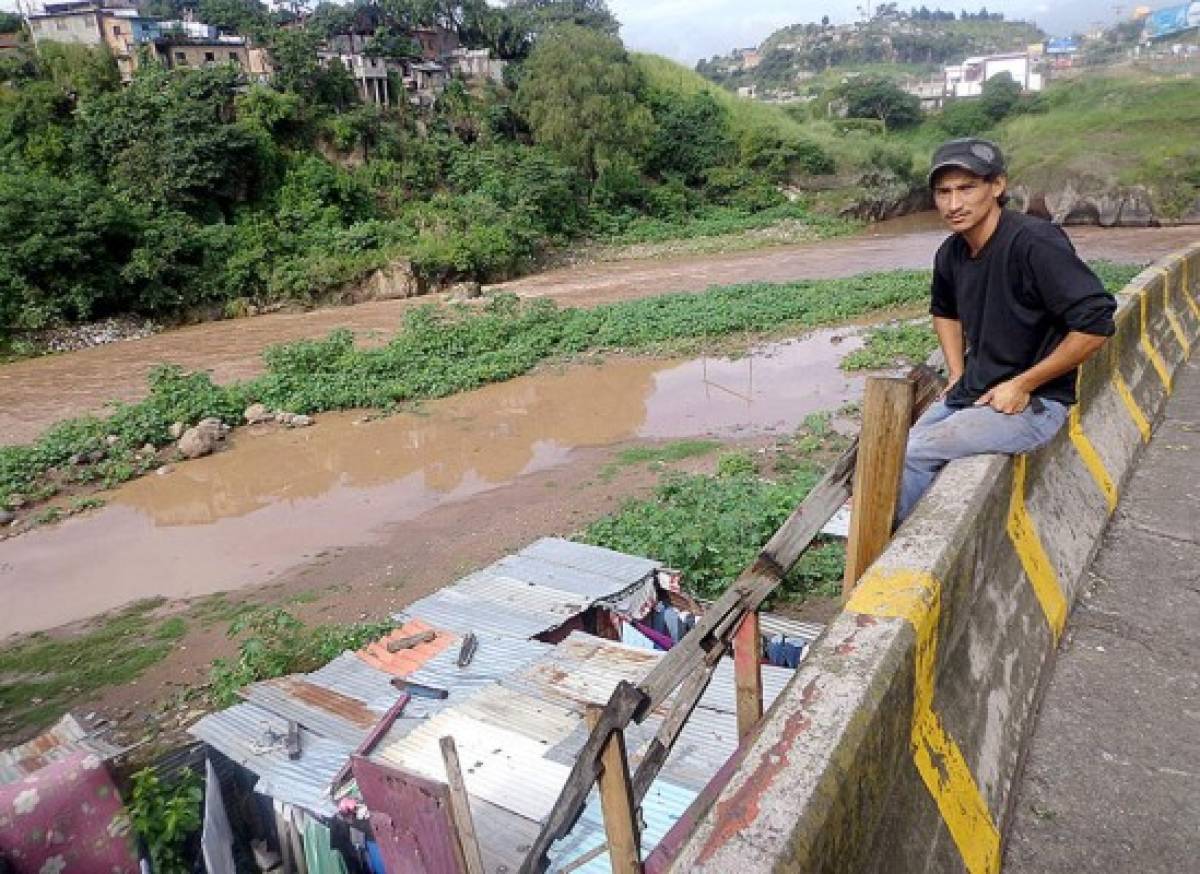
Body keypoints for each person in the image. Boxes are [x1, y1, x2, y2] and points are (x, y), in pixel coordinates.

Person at [895, 138, 1116, 523]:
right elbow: (944, 311)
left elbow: (1096, 323)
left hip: (1036, 404)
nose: (954, 204)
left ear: (996, 186)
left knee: (914, 452)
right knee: (891, 449)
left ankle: (890, 558)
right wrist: (958, 372)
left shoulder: (1034, 243)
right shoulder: (952, 252)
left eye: (966, 188)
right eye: (943, 192)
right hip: (975, 391)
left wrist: (1024, 384)